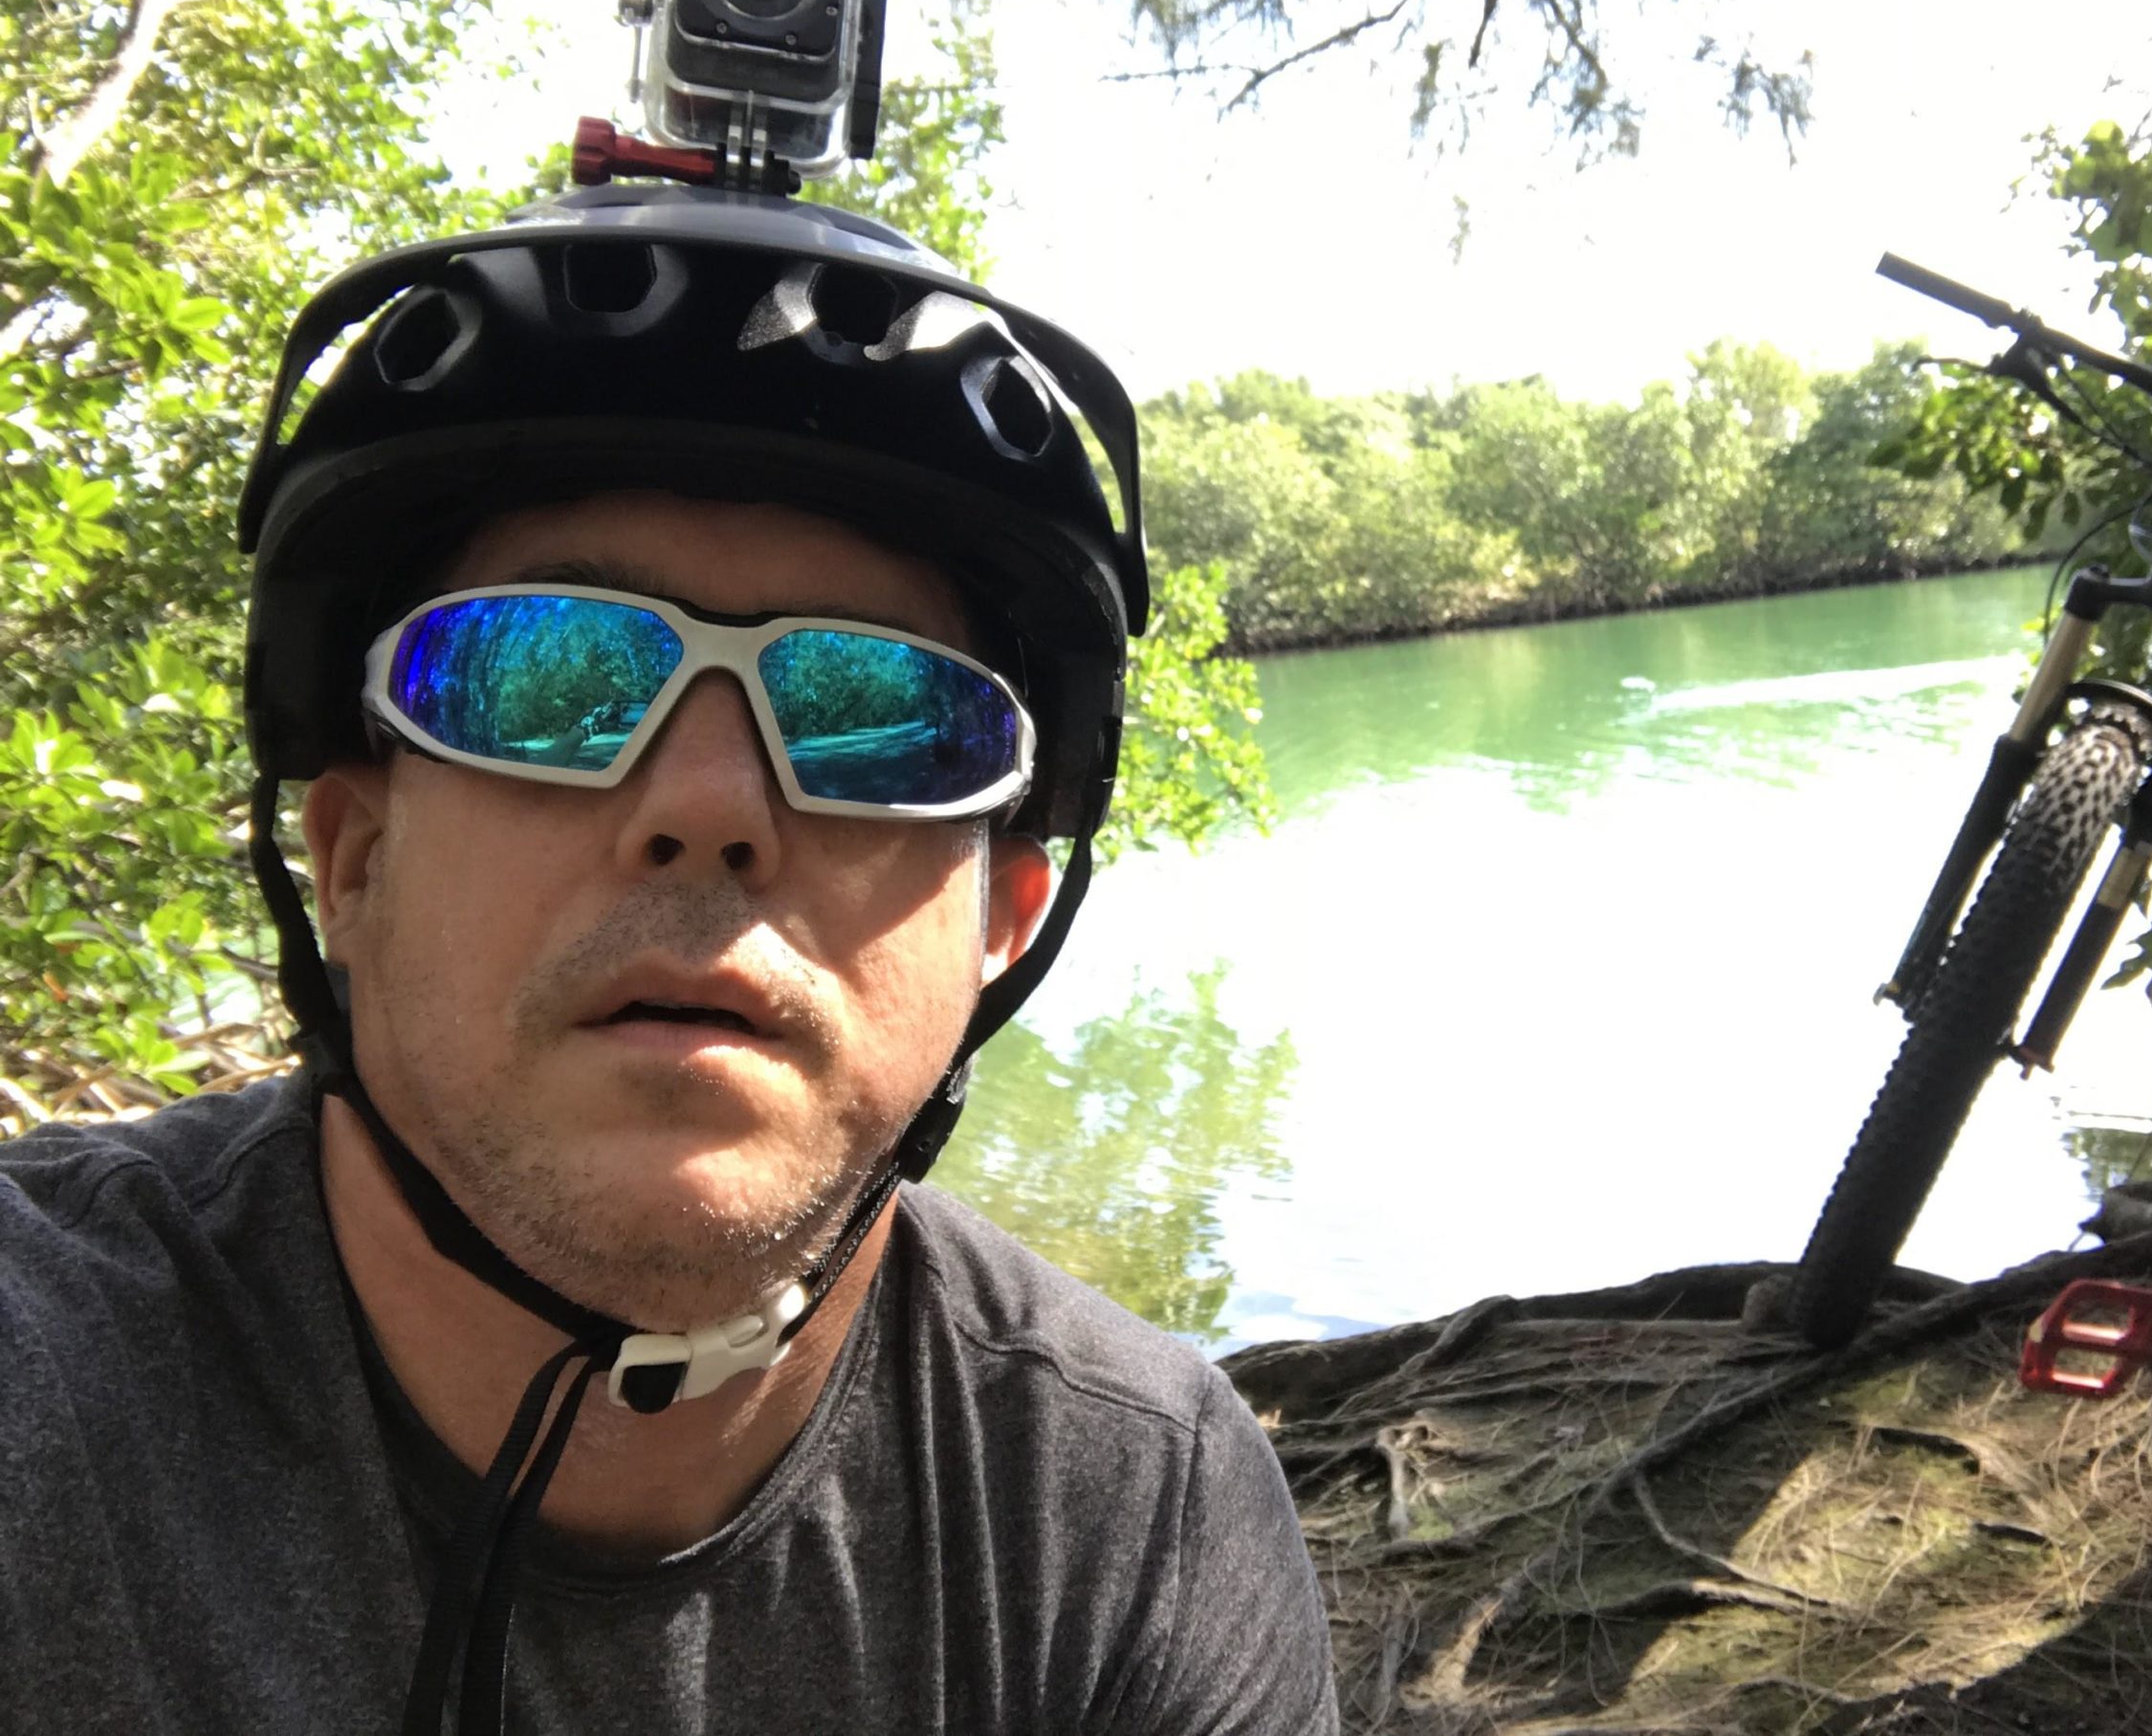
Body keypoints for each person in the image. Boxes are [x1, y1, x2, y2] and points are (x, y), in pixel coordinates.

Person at [0, 174, 1338, 1734]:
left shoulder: (1132, 1511)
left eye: (871, 715)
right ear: (350, 859)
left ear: (1003, 921)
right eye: (548, 674)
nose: (707, 807)